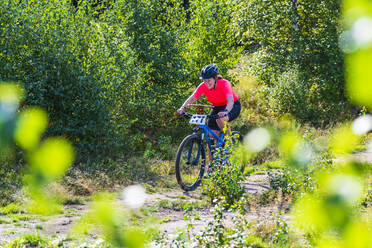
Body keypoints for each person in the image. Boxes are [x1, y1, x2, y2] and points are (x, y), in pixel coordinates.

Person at [177, 64, 241, 139]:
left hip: (232, 106)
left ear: (215, 78)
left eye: (209, 80)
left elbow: (231, 100)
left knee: (220, 119)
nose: (207, 83)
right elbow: (192, 98)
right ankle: (212, 150)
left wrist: (226, 111)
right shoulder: (202, 86)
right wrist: (183, 107)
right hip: (217, 107)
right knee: (211, 135)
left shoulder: (225, 84)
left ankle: (229, 142)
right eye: (204, 80)